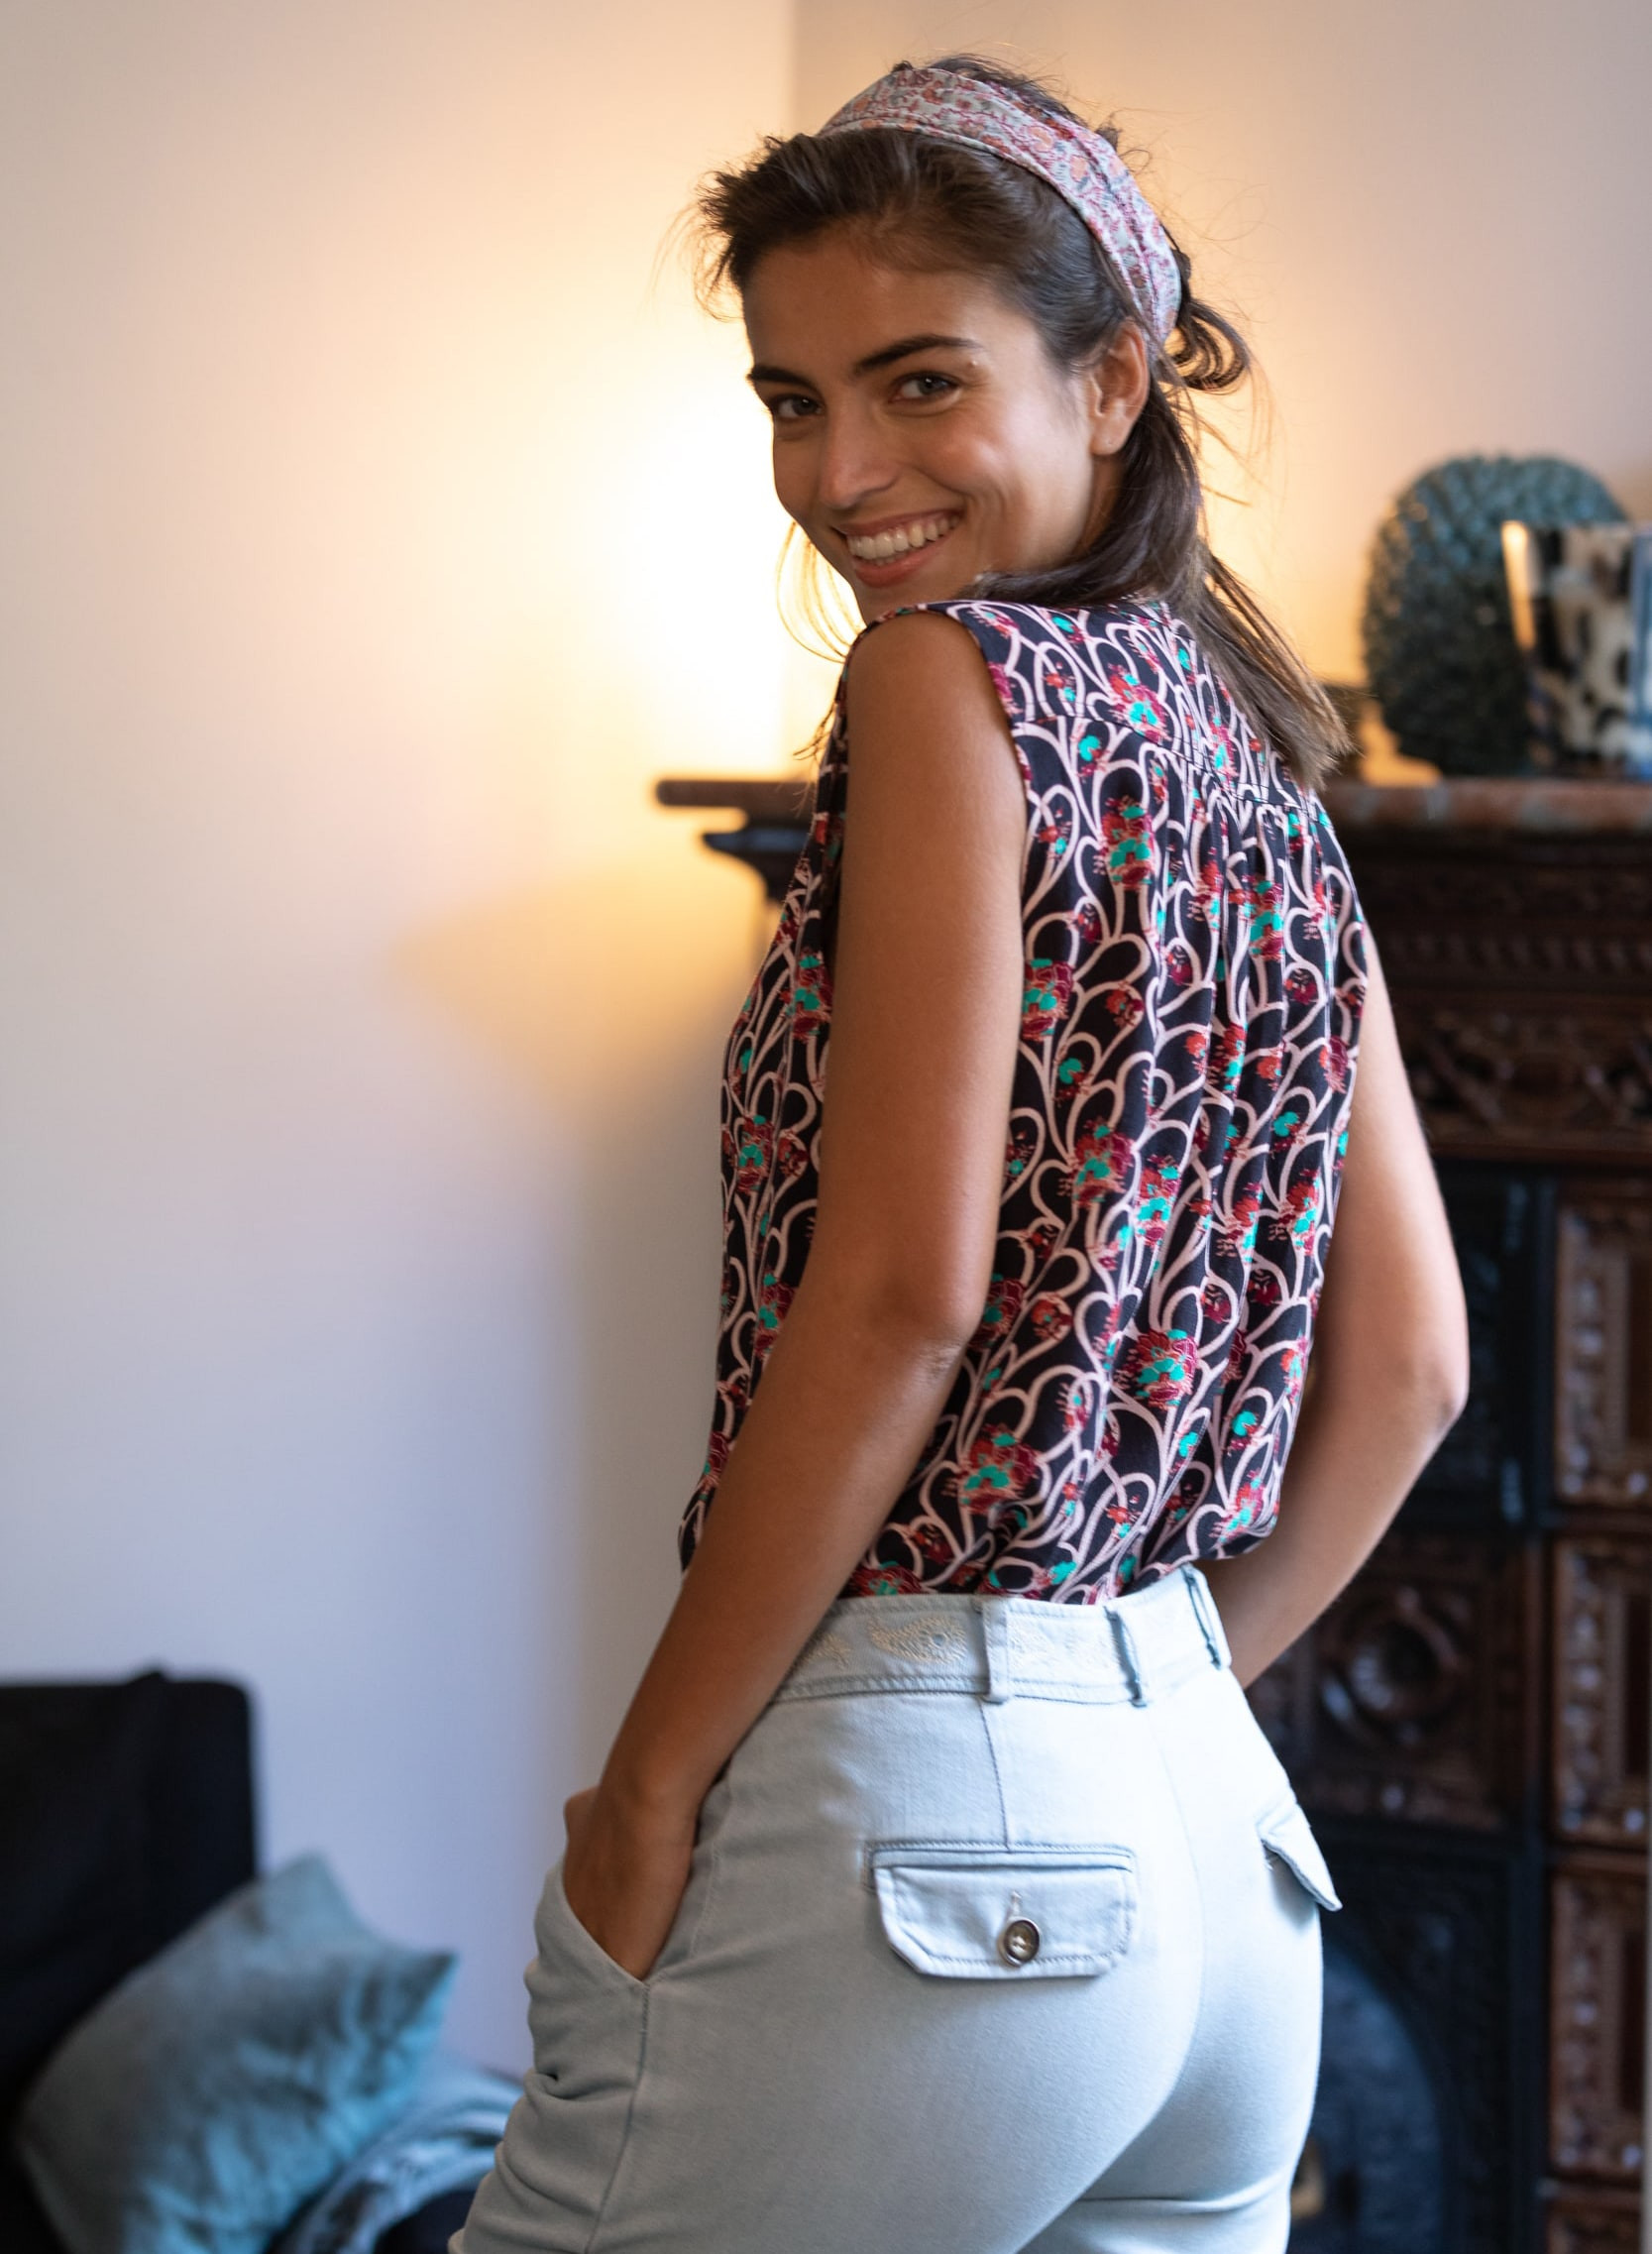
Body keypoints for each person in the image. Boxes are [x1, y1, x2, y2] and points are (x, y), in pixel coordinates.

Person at [455, 56, 1468, 2254]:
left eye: (919, 381)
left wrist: (647, 1789)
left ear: (1113, 380)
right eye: (792, 400)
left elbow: (906, 1296)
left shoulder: (944, 686)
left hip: (943, 1830)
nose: (841, 473)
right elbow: (1413, 1371)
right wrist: (1139, 1712)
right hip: (1209, 1843)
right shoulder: (1264, 756)